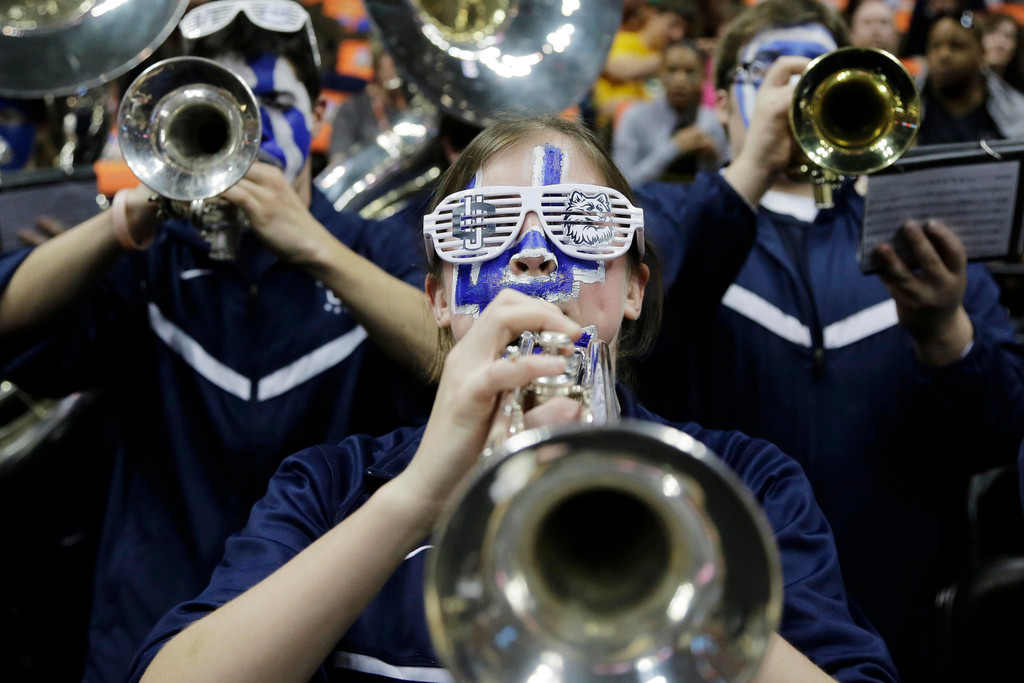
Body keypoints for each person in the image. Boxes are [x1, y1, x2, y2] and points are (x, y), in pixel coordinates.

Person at [127, 114, 898, 683]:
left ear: (633, 288)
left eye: (580, 224)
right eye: (485, 229)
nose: (532, 253)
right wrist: (417, 499)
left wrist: (661, 560)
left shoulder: (745, 486)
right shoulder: (332, 488)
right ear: (436, 295)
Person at [0, 2, 438, 681]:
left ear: (319, 116)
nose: (249, 129)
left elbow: (450, 353)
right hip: (148, 627)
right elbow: (11, 316)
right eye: (227, 103)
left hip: (321, 634)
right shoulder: (156, 255)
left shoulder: (368, 246)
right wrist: (129, 214)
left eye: (272, 102)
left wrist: (314, 248)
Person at [630, 0, 1024, 681]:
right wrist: (750, 169)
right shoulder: (670, 213)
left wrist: (943, 331)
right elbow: (645, 335)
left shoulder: (918, 237)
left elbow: (997, 434)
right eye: (772, 71)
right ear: (723, 105)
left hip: (904, 605)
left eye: (821, 70)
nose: (800, 90)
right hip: (709, 601)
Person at [613, 38, 728, 185]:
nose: (680, 80)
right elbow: (624, 183)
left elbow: (726, 182)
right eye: (672, 70)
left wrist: (712, 157)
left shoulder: (713, 120)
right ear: (659, 72)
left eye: (690, 71)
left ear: (704, 77)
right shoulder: (635, 117)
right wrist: (674, 147)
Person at [915, 9, 1024, 144]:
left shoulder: (1016, 113)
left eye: (956, 46)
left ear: (980, 52)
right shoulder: (910, 109)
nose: (943, 55)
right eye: (935, 46)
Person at [592, 0, 700, 131]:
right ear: (652, 15)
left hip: (662, 131)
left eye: (684, 30)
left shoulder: (667, 56)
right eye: (673, 24)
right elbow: (618, 70)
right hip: (613, 130)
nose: (678, 35)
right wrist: (678, 57)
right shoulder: (619, 41)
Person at [980, 11, 1024, 94]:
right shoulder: (964, 80)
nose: (999, 43)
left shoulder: (1018, 97)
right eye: (992, 32)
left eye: (1008, 36)